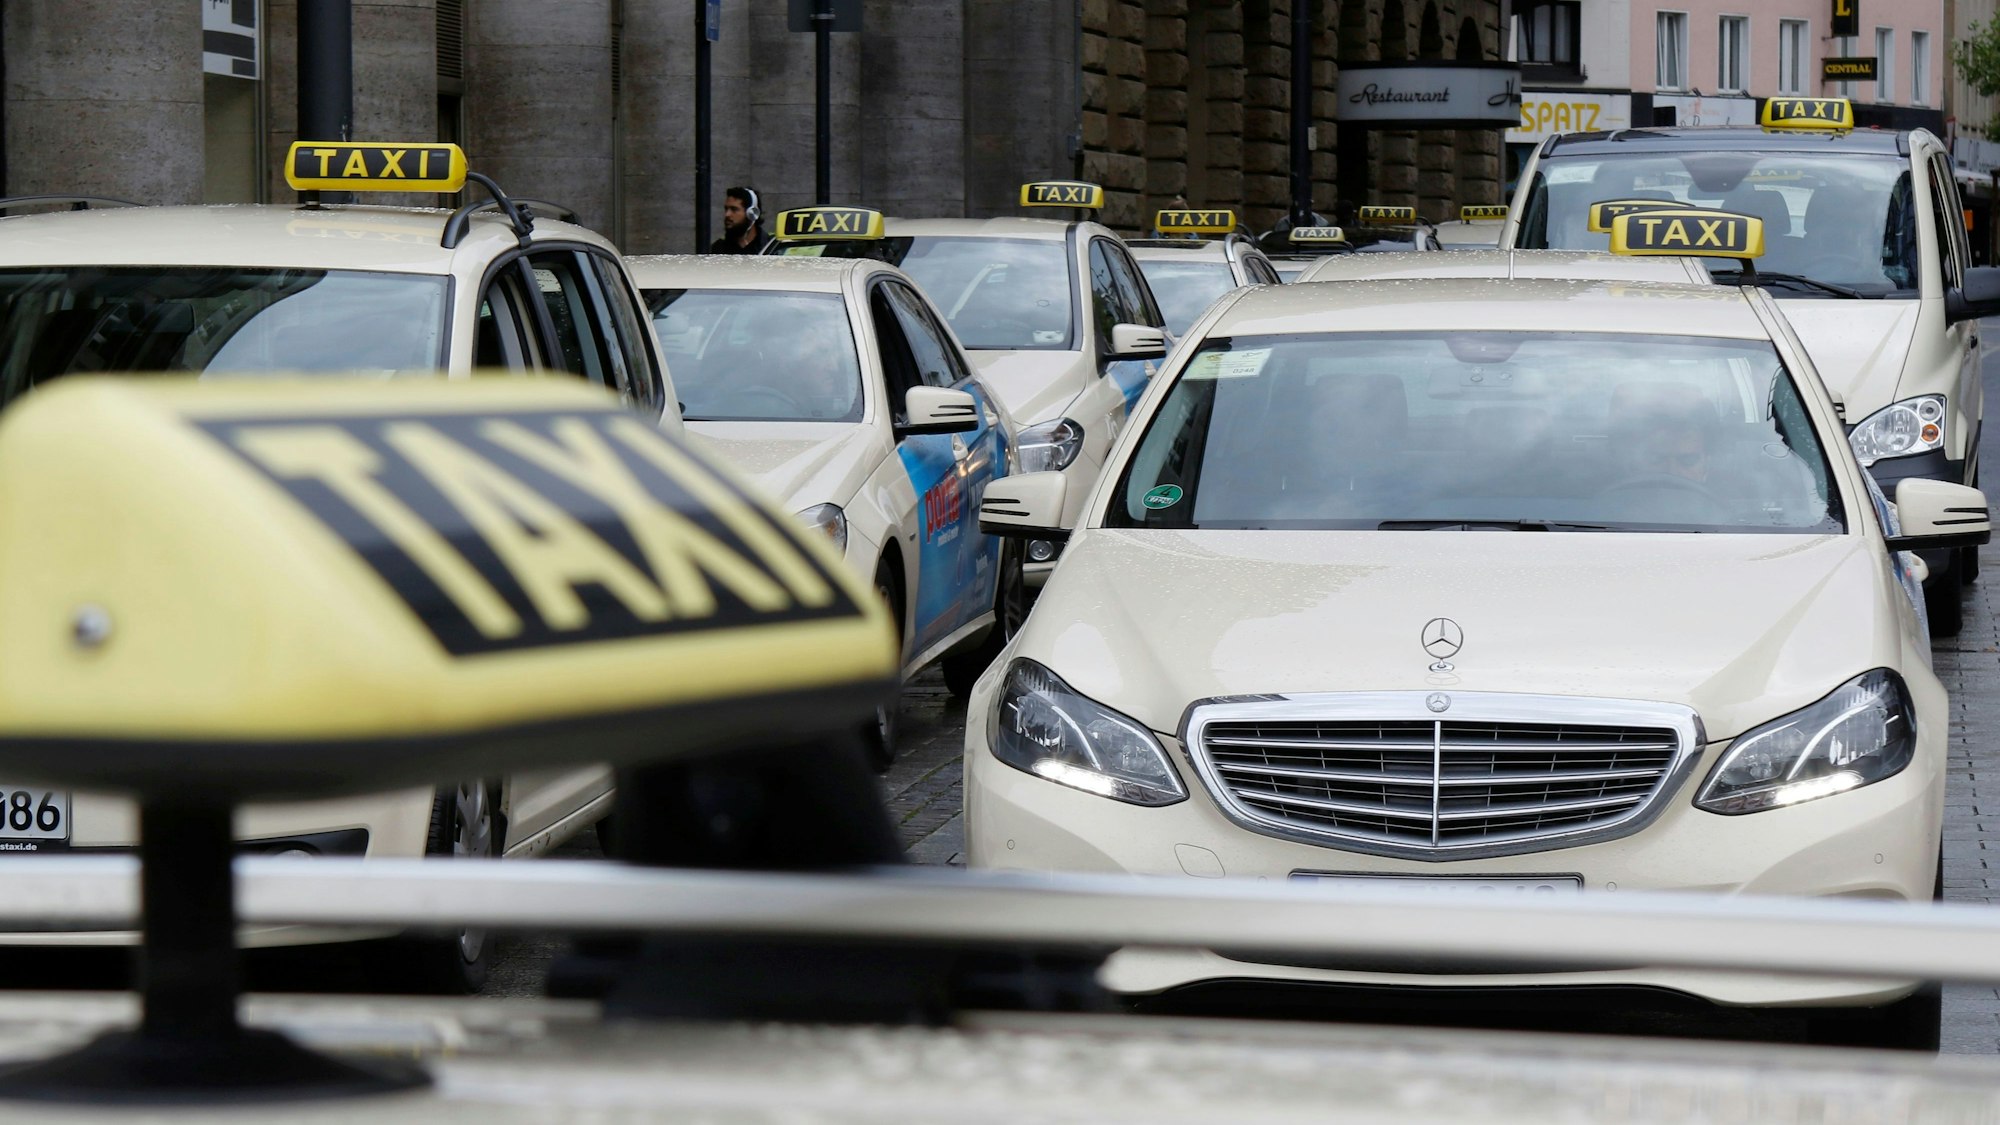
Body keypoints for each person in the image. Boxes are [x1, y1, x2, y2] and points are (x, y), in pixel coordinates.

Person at [707, 186, 772, 255]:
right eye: (726, 209)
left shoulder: (771, 246)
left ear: (752, 213)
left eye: (734, 209)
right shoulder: (718, 249)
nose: (727, 214)